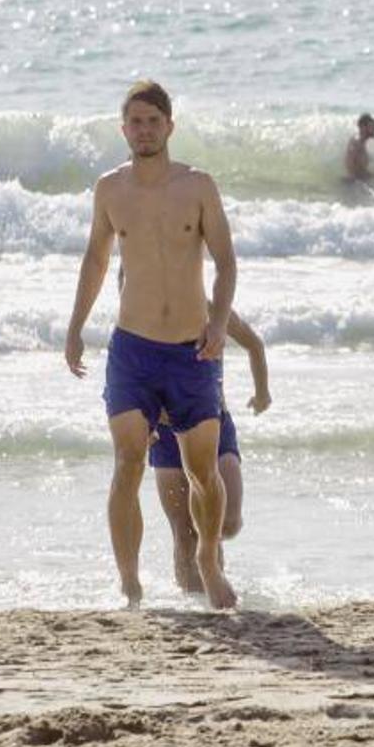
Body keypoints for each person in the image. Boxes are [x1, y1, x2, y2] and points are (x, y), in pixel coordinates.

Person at [64, 79, 239, 610]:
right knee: (127, 462)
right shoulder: (110, 189)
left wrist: (220, 323)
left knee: (203, 472)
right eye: (135, 122)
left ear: (169, 126)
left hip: (191, 351)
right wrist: (75, 327)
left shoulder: (199, 186)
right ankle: (130, 584)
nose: (144, 130)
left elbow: (227, 261)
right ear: (124, 129)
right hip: (132, 350)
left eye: (153, 121)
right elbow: (95, 261)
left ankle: (207, 558)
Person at [152, 307, 270, 594]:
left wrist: (262, 392)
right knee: (184, 532)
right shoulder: (141, 317)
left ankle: (211, 569)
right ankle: (197, 604)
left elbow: (254, 344)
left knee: (225, 523)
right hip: (165, 434)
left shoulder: (212, 310)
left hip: (213, 422)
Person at [345, 113, 374, 183]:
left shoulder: (361, 142)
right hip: (354, 184)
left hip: (360, 180)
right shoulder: (356, 141)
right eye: (372, 126)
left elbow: (360, 169)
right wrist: (353, 179)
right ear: (363, 127)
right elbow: (350, 161)